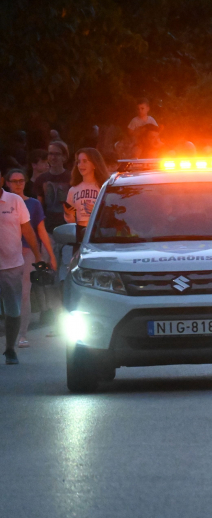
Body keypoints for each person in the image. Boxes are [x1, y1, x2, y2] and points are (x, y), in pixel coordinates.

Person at [4, 169, 57, 348]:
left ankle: (22, 334)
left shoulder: (33, 204)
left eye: (21, 181)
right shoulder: (6, 203)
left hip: (27, 252)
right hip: (7, 253)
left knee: (24, 292)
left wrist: (49, 255)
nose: (18, 184)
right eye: (14, 181)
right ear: (7, 183)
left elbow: (40, 230)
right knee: (10, 294)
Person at [0, 171, 45, 365]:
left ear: (1, 180)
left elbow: (27, 229)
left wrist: (37, 255)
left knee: (13, 309)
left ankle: (10, 348)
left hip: (12, 264)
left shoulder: (14, 201)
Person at [64, 148, 109, 244]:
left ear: (95, 164)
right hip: (79, 233)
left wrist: (96, 211)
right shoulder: (73, 190)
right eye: (78, 162)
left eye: (85, 161)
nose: (81, 165)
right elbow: (70, 219)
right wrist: (68, 214)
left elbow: (111, 214)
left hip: (98, 232)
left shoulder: (104, 187)